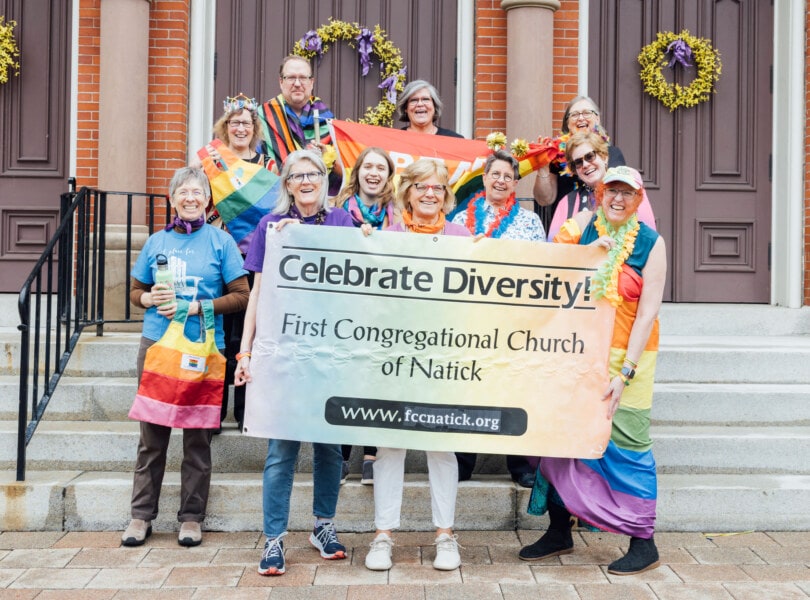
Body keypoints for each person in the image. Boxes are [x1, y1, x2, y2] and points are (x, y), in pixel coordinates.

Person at [519, 166, 666, 576]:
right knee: (560, 440)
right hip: (576, 355)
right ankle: (559, 530)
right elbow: (545, 272)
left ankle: (643, 540)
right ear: (600, 194)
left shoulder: (652, 244)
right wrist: (585, 254)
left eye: (627, 194)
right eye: (611, 191)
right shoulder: (581, 226)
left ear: (638, 200)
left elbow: (648, 313)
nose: (618, 199)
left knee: (629, 445)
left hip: (628, 359)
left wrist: (626, 373)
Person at [235, 150, 354, 576]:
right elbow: (258, 295)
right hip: (283, 353)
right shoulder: (271, 227)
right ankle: (273, 539)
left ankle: (323, 525)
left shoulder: (343, 223)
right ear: (286, 184)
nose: (306, 181)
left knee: (328, 447)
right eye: (297, 175)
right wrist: (246, 351)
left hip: (329, 354)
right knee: (281, 449)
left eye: (314, 174)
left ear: (325, 180)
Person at [122, 167, 250, 548]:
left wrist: (197, 306)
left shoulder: (221, 242)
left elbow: (241, 295)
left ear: (207, 199)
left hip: (204, 349)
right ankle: (140, 516)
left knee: (197, 439)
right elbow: (135, 290)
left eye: (198, 192)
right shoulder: (156, 241)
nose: (191, 198)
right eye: (184, 192)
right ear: (173, 198)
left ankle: (191, 518)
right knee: (152, 437)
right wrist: (146, 299)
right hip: (158, 345)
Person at [364, 159, 467, 572]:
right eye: (422, 186)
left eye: (438, 188)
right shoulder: (388, 235)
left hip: (442, 358)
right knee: (390, 446)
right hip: (395, 357)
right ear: (407, 192)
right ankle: (383, 534)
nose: (430, 194)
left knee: (442, 446)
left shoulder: (462, 236)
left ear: (446, 196)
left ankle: (445, 535)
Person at [450, 149, 544, 487]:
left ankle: (519, 464)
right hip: (470, 321)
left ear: (516, 183)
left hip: (512, 322)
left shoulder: (530, 223)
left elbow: (541, 272)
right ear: (485, 178)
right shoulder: (460, 220)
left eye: (508, 176)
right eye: (495, 174)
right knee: (469, 388)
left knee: (512, 388)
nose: (501, 180)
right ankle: (462, 460)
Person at [203, 93, 274, 433]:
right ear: (225, 127)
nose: (240, 128)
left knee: (248, 336)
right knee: (219, 334)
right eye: (234, 123)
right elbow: (203, 205)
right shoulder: (213, 162)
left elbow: (275, 208)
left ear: (254, 127)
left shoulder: (268, 165)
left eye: (246, 123)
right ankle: (215, 412)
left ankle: (245, 411)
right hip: (221, 254)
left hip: (255, 259)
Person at [331, 146, 399, 483]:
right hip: (347, 308)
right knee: (347, 377)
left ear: (389, 176)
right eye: (368, 166)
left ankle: (371, 454)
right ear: (356, 171)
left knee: (378, 380)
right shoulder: (337, 211)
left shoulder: (398, 215)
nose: (373, 173)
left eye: (381, 168)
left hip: (384, 309)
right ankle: (342, 454)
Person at [546, 131, 655, 241]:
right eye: (578, 162)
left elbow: (648, 241)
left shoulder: (631, 192)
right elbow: (554, 249)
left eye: (590, 156)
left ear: (604, 157)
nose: (585, 165)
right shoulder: (567, 202)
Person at [532, 96, 626, 222]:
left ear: (597, 119)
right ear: (567, 123)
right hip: (563, 227)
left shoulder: (612, 153)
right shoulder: (556, 159)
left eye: (587, 113)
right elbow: (544, 200)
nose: (581, 118)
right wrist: (542, 169)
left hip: (602, 224)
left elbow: (617, 191)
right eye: (574, 115)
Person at [258, 56, 342, 194]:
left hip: (318, 200)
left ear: (312, 82)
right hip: (275, 198)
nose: (297, 83)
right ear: (281, 82)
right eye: (291, 77)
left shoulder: (326, 117)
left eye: (303, 77)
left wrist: (327, 158)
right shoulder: (262, 116)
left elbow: (344, 168)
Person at [396, 80, 463, 138]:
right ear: (405, 108)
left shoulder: (454, 140)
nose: (420, 104)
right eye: (414, 100)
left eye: (425, 99)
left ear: (434, 105)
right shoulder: (395, 139)